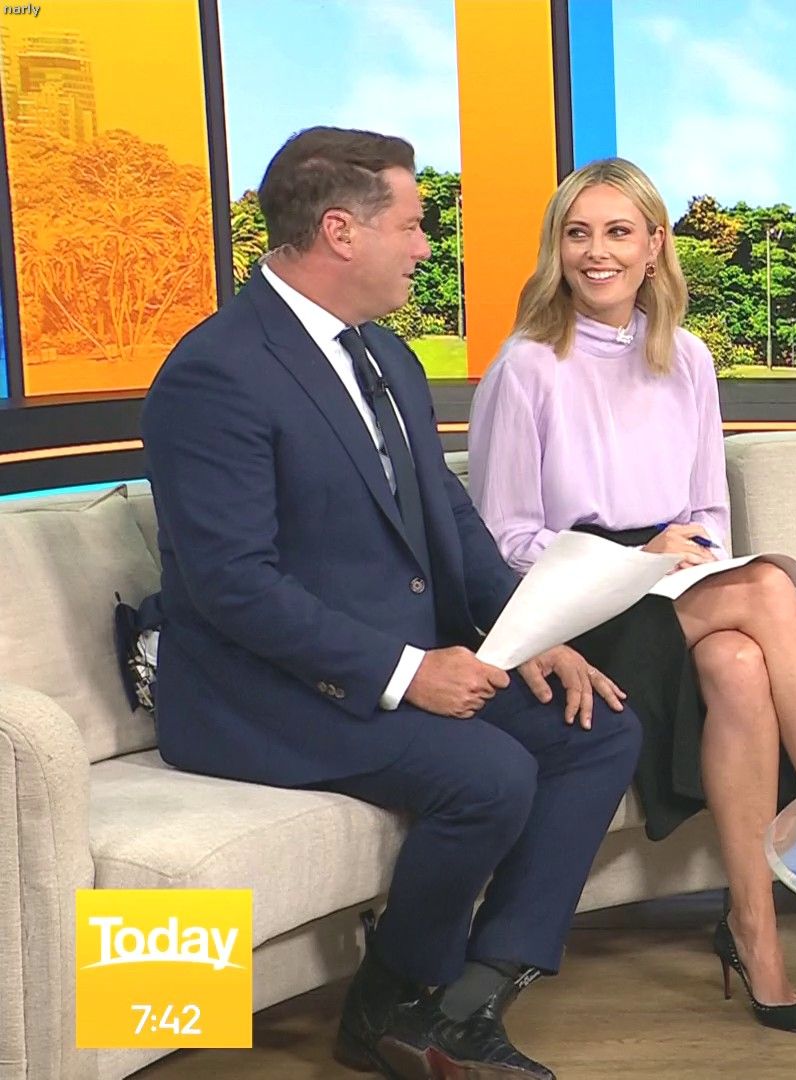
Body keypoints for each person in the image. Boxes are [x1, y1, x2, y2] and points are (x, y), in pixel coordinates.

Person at [141, 127, 641, 1079]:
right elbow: (232, 583)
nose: (423, 246)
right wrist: (408, 673)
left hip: (388, 664)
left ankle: (466, 1000)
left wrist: (529, 629)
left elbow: (444, 512)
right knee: (488, 774)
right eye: (411, 226)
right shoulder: (216, 372)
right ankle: (393, 1003)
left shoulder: (385, 355)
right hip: (260, 693)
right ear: (341, 231)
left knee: (598, 730)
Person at [466, 158, 796, 1034]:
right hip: (575, 606)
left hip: (674, 582)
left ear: (654, 246)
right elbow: (502, 543)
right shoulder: (525, 367)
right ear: (557, 248)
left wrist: (677, 560)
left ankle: (756, 932)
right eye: (578, 234)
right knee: (767, 586)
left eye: (617, 233)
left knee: (740, 664)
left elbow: (708, 513)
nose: (597, 253)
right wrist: (635, 558)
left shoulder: (687, 357)